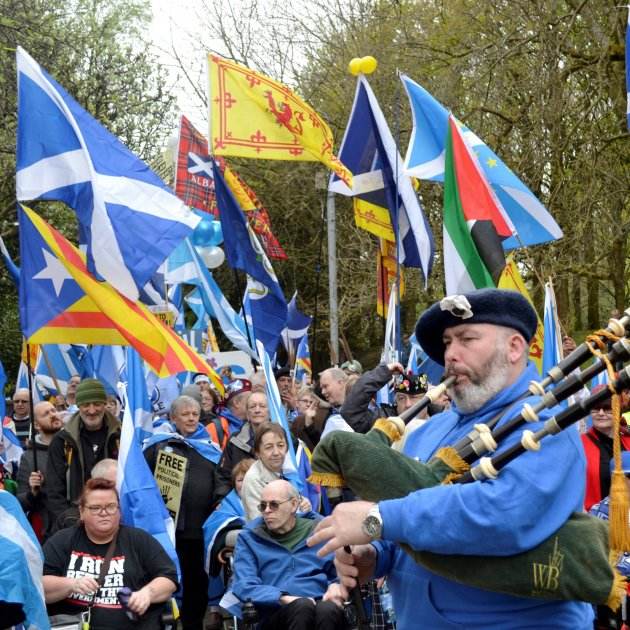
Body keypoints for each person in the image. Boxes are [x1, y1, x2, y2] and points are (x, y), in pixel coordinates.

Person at [308, 289, 593, 628]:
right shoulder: (429, 432)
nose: (450, 355)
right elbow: (407, 525)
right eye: (447, 342)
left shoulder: (547, 426)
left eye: (467, 339)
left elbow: (503, 516)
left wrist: (377, 519)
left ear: (514, 348)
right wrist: (375, 555)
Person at [42, 478, 178, 629]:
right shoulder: (63, 540)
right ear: (81, 512)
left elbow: (169, 579)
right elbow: (38, 586)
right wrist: (71, 584)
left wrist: (146, 594)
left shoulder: (139, 539)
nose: (104, 513)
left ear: (119, 510)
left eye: (111, 506)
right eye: (95, 508)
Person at [144, 395, 221, 630]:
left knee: (196, 581)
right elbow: (142, 479)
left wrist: (218, 500)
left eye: (195, 414)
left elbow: (221, 481)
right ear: (173, 417)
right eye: (185, 414)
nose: (191, 418)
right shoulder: (157, 445)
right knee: (163, 577)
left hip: (198, 530)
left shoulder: (209, 447)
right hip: (165, 529)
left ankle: (193, 624)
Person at [232, 479, 344, 630]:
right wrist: (282, 598)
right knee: (302, 607)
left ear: (293, 504)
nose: (266, 511)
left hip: (321, 603)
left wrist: (336, 585)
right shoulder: (249, 538)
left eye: (274, 505)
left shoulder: (320, 530)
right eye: (263, 505)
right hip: (275, 613)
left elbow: (339, 572)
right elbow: (243, 585)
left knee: (328, 609)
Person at [46, 379, 121, 521]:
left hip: (114, 518)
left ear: (105, 404)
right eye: (86, 404)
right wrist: (70, 522)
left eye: (97, 404)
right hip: (74, 520)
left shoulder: (121, 437)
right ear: (78, 405)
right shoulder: (62, 441)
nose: (92, 410)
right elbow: (54, 491)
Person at [240, 423, 310, 520]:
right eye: (269, 447)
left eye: (281, 445)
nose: (276, 453)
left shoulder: (288, 471)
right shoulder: (253, 479)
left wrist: (304, 504)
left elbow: (295, 503)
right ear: (258, 453)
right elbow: (261, 523)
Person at [16, 400, 63, 540]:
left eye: (54, 410)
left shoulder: (72, 446)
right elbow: (21, 503)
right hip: (47, 529)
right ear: (37, 425)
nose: (53, 415)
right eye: (46, 414)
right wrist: (33, 492)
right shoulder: (29, 458)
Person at [581, 383, 630, 511]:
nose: (601, 413)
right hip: (596, 523)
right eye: (596, 407)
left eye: (607, 407)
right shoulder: (580, 445)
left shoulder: (628, 440)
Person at [215, 391, 270, 500]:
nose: (257, 410)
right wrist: (224, 501)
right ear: (248, 414)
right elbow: (223, 477)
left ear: (269, 412)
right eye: (252, 407)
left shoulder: (281, 439)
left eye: (262, 406)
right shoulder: (235, 441)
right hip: (240, 505)